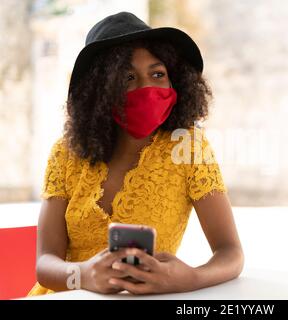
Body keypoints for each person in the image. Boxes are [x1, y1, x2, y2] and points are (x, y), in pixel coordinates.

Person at [28, 11, 244, 296]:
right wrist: (83, 275)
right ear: (100, 90)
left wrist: (190, 278)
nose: (147, 88)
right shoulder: (66, 154)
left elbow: (231, 253)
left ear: (174, 81)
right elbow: (45, 265)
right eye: (128, 77)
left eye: (158, 74)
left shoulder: (188, 148)